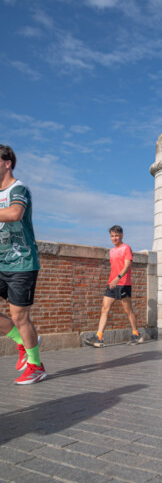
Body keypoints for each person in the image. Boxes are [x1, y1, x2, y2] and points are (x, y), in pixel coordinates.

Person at [0, 145, 46, 384]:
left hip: (22, 262)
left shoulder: (19, 189)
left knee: (19, 317)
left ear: (7, 163)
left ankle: (36, 366)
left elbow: (15, 213)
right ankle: (22, 342)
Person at [85, 225, 142, 347]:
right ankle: (99, 337)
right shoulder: (111, 251)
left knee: (128, 310)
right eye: (112, 236)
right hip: (111, 284)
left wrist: (118, 277)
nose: (114, 238)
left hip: (123, 284)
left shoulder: (126, 248)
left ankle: (136, 334)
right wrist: (113, 280)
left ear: (122, 235)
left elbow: (127, 266)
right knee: (104, 309)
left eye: (116, 235)